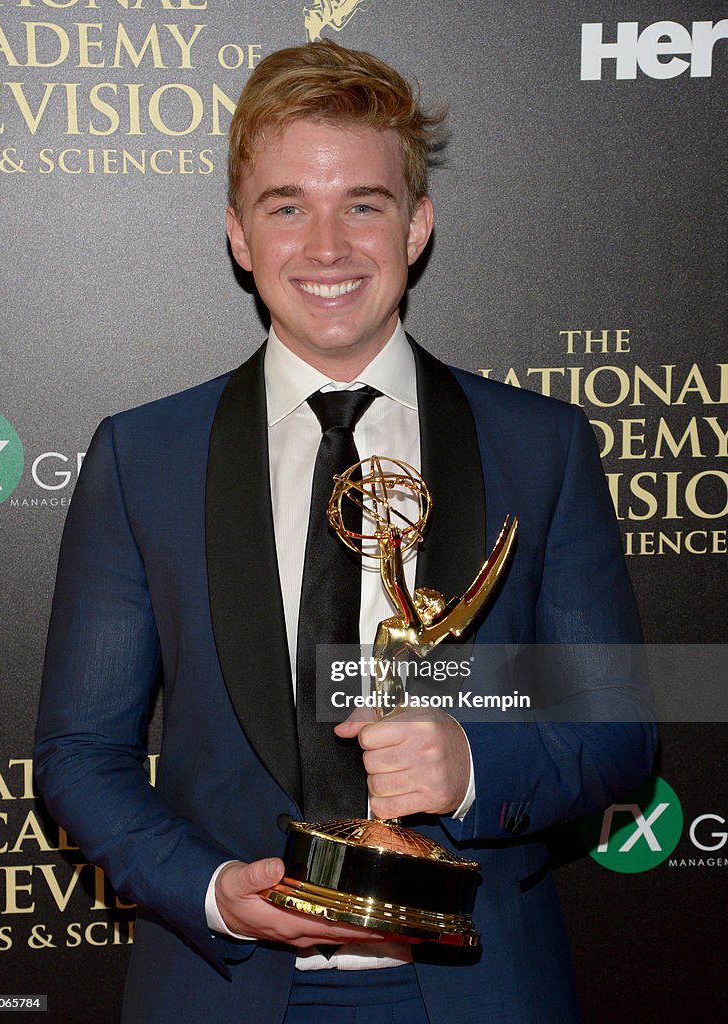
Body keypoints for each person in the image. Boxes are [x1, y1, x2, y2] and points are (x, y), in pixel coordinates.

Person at [34, 40, 656, 1024]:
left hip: (476, 992)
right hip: (223, 987)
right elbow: (78, 752)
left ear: (416, 226)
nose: (326, 247)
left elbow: (616, 729)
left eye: (362, 203)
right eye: (287, 206)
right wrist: (213, 890)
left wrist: (468, 771)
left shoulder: (542, 449)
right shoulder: (142, 457)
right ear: (240, 235)